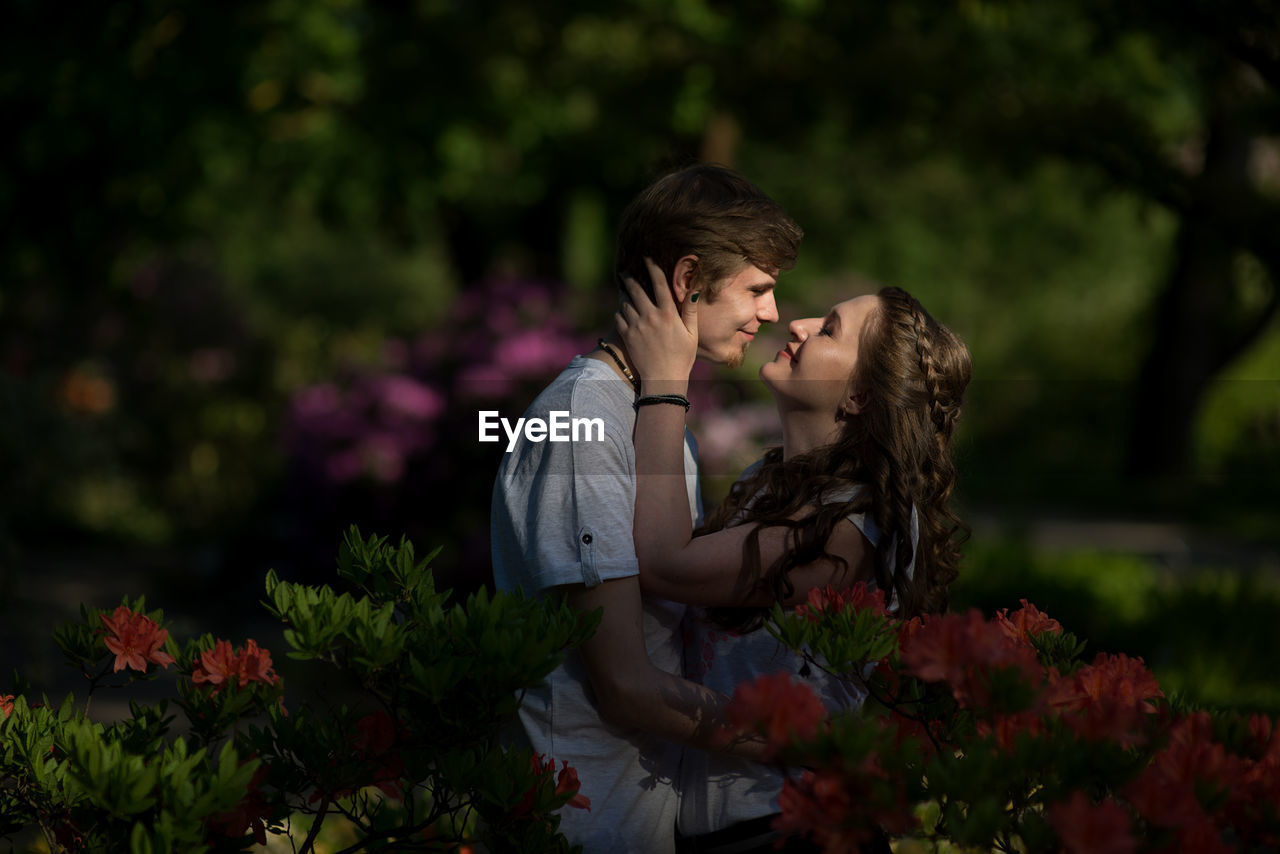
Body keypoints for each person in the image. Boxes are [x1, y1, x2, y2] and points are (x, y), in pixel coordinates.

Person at [490, 163, 803, 853]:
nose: (772, 313)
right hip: (584, 825)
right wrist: (797, 742)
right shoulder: (584, 418)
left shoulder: (652, 415)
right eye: (758, 289)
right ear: (690, 281)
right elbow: (626, 686)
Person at [617, 261, 972, 853]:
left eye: (830, 329)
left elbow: (662, 562)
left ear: (860, 395)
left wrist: (665, 383)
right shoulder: (773, 481)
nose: (798, 323)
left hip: (793, 833)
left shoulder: (850, 528)